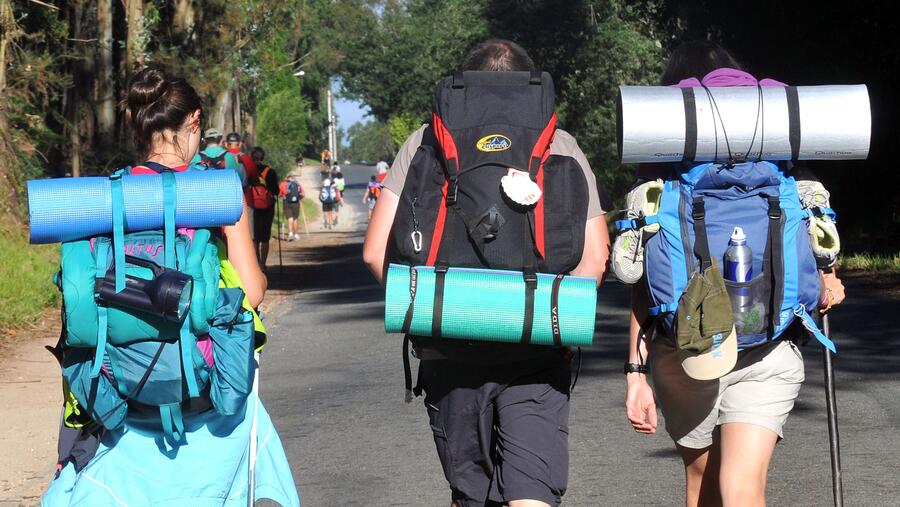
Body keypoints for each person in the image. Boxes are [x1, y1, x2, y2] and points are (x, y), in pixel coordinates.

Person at [363, 39, 611, 507]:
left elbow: (376, 253)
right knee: (532, 494)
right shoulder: (559, 144)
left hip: (448, 353)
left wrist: (439, 311)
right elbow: (595, 258)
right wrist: (547, 318)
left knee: (472, 497)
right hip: (537, 353)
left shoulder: (426, 142)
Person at [42, 67, 299, 506]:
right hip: (200, 390)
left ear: (137, 125)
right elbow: (253, 292)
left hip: (120, 391)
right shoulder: (214, 192)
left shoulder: (103, 199)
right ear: (194, 120)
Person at [622, 40, 847, 507]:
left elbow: (650, 283)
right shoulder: (776, 152)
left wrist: (635, 373)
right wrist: (825, 282)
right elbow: (813, 246)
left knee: (701, 487)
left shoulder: (665, 160)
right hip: (768, 342)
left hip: (687, 351)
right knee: (744, 488)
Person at [249, 147, 280, 270]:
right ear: (263, 157)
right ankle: (263, 263)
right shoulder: (270, 172)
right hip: (268, 207)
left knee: (255, 237)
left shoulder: (249, 171)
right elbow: (276, 191)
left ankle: (256, 262)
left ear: (252, 157)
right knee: (265, 237)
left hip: (253, 207)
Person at [280, 174, 305, 240]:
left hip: (286, 202)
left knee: (289, 219)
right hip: (296, 203)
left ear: (287, 178)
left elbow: (280, 194)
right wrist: (299, 198)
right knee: (295, 219)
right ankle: (296, 235)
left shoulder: (283, 184)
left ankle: (290, 234)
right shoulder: (297, 184)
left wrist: (282, 196)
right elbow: (303, 194)